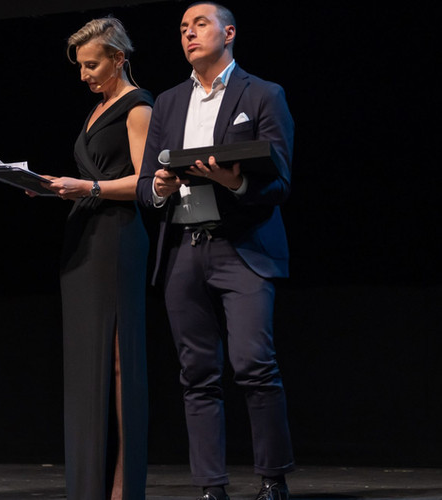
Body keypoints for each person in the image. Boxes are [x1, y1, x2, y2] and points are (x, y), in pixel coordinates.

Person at [135, 3, 295, 500]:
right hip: (183, 247)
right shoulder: (168, 102)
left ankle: (273, 479)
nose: (189, 33)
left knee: (254, 364)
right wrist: (158, 186)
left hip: (241, 247)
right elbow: (145, 184)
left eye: (199, 24)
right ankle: (210, 486)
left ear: (229, 33)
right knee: (197, 374)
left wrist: (236, 181)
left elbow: (280, 183)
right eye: (183, 28)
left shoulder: (263, 94)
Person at [33, 17, 153, 500]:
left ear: (118, 59)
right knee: (87, 365)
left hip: (117, 239)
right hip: (84, 238)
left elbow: (144, 182)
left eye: (91, 65)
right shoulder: (98, 106)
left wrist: (89, 187)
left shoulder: (138, 106)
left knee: (119, 363)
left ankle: (123, 488)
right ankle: (88, 485)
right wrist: (54, 188)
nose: (83, 75)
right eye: (80, 67)